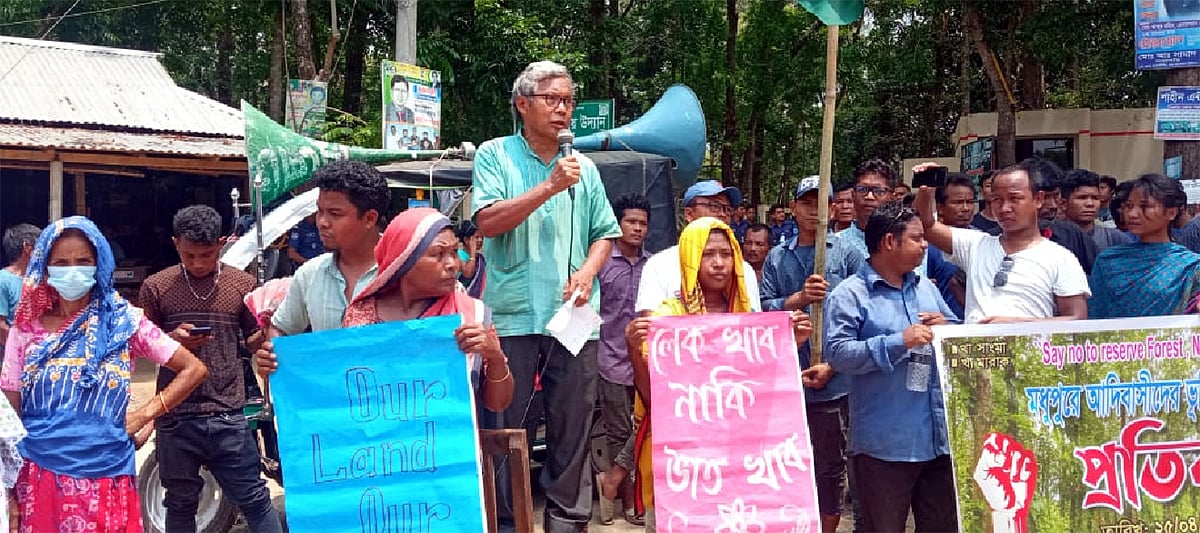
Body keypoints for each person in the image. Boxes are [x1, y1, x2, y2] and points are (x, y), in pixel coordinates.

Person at [471, 60, 622, 533]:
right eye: (552, 99)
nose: (563, 110)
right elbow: (487, 221)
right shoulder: (495, 155)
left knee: (572, 427)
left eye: (569, 101)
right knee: (503, 426)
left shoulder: (587, 169)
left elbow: (605, 235)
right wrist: (551, 185)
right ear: (523, 104)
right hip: (512, 316)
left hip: (574, 316)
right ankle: (507, 520)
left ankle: (567, 521)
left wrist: (588, 270)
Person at [2, 217, 207, 532]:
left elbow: (192, 369)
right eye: (61, 262)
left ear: (99, 264)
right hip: (38, 480)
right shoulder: (25, 331)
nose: (73, 270)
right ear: (45, 268)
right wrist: (8, 492)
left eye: (83, 261)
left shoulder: (123, 322)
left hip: (107, 480)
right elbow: (10, 419)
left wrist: (144, 415)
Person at [625, 218, 813, 533]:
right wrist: (634, 350)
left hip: (742, 462)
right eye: (708, 254)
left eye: (726, 255)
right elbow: (650, 396)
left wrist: (788, 346)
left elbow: (767, 396)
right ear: (689, 258)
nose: (719, 264)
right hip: (687, 465)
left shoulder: (752, 324)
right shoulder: (668, 318)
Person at [138, 206, 283, 533]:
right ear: (176, 244)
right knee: (179, 501)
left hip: (228, 413)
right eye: (189, 255)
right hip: (175, 414)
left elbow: (253, 342)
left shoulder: (242, 284)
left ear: (222, 243)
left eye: (207, 254)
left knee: (254, 497)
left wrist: (269, 325)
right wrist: (171, 341)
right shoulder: (157, 287)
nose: (198, 263)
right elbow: (145, 345)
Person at [824, 202, 959, 533]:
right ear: (889, 241)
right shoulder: (850, 295)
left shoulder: (926, 288)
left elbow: (955, 334)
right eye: (916, 238)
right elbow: (838, 353)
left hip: (938, 441)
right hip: (884, 447)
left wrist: (950, 327)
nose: (925, 245)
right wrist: (899, 342)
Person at [759, 176, 862, 533]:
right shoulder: (777, 257)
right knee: (786, 457)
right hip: (787, 378)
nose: (814, 211)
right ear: (793, 207)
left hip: (834, 379)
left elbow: (864, 309)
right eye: (807, 203)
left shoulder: (849, 253)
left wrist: (834, 364)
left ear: (833, 209)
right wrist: (798, 300)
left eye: (823, 204)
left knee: (831, 463)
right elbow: (763, 309)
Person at [915, 160, 1091, 324]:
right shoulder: (974, 245)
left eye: (1015, 199)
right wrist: (926, 192)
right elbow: (927, 226)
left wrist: (1016, 325)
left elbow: (1077, 319)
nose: (1005, 208)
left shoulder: (1060, 258)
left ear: (1037, 199)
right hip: (977, 354)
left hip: (1030, 355)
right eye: (997, 200)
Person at [269, 160, 385, 335]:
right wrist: (273, 353)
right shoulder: (309, 274)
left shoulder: (406, 271)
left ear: (370, 218)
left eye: (335, 214)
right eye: (319, 211)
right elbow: (280, 329)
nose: (322, 222)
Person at [594, 193, 650, 527]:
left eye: (643, 223)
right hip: (609, 359)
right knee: (618, 432)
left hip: (645, 363)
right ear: (617, 224)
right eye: (631, 221)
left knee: (648, 423)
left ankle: (611, 480)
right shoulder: (600, 262)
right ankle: (630, 503)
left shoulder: (654, 264)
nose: (638, 228)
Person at [636, 180, 764, 314]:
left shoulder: (744, 270)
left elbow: (753, 323)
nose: (722, 214)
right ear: (689, 214)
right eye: (714, 206)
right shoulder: (659, 265)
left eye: (727, 209)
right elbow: (653, 327)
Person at [1090, 174, 1200, 318]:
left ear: (1171, 212)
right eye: (1128, 206)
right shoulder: (1108, 261)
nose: (1132, 214)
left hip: (1168, 341)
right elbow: (1095, 316)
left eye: (1145, 206)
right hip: (1115, 340)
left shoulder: (1190, 266)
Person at [1060, 169, 1131, 253]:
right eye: (1082, 198)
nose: (1090, 204)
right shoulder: (1052, 238)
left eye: (1095, 198)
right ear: (1063, 203)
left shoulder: (1116, 239)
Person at [0, 224, 38, 346]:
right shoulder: (3, 280)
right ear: (27, 247)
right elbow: (1, 326)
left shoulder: (37, 279)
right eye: (40, 247)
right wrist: (18, 351)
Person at [456, 220, 487, 299]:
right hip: (461, 299)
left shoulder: (480, 259)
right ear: (466, 240)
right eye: (476, 237)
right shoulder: (458, 255)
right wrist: (472, 251)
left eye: (482, 237)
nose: (480, 240)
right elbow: (468, 274)